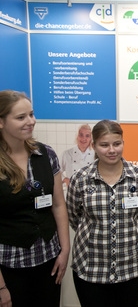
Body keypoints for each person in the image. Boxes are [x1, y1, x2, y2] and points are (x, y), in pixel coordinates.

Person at [67, 120, 138, 307]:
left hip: (132, 267)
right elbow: (74, 217)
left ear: (123, 142)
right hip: (90, 267)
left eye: (117, 143)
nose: (111, 150)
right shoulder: (80, 179)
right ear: (94, 146)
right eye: (104, 145)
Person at [0, 90, 70, 307]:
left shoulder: (45, 154)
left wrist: (65, 250)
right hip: (9, 266)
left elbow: (58, 205)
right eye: (21, 117)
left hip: (49, 260)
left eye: (31, 114)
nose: (31, 121)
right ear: (1, 122)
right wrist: (1, 286)